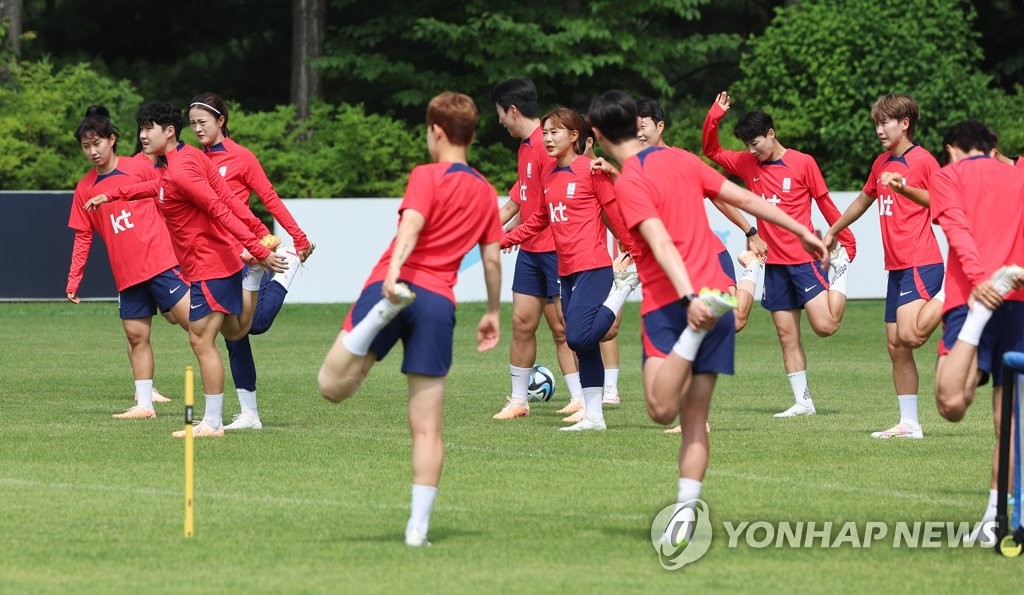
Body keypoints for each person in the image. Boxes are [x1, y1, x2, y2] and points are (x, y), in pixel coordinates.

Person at [587, 90, 826, 545]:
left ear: (597, 134)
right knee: (692, 421)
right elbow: (747, 200)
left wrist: (688, 298)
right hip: (713, 295)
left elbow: (658, 243)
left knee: (661, 410)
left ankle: (686, 510)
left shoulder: (630, 179)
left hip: (677, 303)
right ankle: (685, 511)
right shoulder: (679, 159)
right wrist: (800, 230)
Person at [317, 91, 502, 547]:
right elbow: (493, 261)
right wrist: (494, 311)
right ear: (472, 136)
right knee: (427, 428)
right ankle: (417, 528)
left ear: (435, 131)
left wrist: (395, 275)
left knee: (332, 385)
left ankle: (381, 314)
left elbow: (411, 224)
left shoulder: (426, 174)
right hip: (439, 303)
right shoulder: (483, 189)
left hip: (395, 285)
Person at [85, 102, 288, 438]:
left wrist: (256, 248)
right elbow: (155, 188)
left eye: (148, 128)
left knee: (200, 339)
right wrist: (113, 195)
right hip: (213, 263)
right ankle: (251, 280)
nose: (142, 136)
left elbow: (220, 209)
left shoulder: (180, 170)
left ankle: (211, 423)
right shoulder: (182, 161)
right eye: (140, 129)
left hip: (208, 264)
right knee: (235, 332)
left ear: (169, 131)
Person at [703, 91, 856, 418]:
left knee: (826, 326)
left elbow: (826, 204)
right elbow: (711, 150)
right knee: (787, 336)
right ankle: (803, 402)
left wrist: (847, 241)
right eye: (746, 144)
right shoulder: (747, 163)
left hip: (804, 261)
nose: (750, 150)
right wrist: (715, 115)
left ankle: (841, 273)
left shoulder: (804, 163)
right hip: (773, 265)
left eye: (755, 142)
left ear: (771, 134)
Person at [502, 107, 638, 430]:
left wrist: (632, 249)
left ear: (575, 137)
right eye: (546, 132)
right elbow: (538, 220)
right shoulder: (548, 176)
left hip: (593, 266)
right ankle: (594, 416)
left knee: (576, 336)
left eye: (555, 132)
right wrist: (502, 240)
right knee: (582, 342)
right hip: (566, 270)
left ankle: (623, 290)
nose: (548, 139)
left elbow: (614, 213)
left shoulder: (591, 170)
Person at [822, 94, 945, 439]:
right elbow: (863, 199)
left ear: (905, 123)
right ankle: (910, 424)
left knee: (910, 335)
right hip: (897, 267)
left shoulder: (922, 161)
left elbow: (941, 202)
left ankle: (955, 295)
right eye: (876, 123)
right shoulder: (880, 164)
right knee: (895, 346)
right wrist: (834, 229)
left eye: (885, 122)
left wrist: (905, 188)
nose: (879, 129)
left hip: (922, 261)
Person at [188, 92, 312, 430]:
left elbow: (269, 199)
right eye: (192, 124)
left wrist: (299, 238)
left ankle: (284, 272)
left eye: (202, 122)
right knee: (234, 335)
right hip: (213, 257)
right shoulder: (194, 161)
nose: (197, 129)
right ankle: (250, 415)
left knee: (251, 326)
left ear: (221, 121)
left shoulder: (242, 158)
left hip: (244, 252)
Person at [927, 119, 1024, 542]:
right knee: (1012, 425)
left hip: (973, 297)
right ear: (990, 146)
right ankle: (993, 521)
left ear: (951, 148)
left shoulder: (947, 176)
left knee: (951, 403)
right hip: (1018, 300)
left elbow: (956, 230)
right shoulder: (1018, 176)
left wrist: (981, 283)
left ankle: (995, 521)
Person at [66, 105, 189, 418]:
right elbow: (83, 237)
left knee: (195, 326)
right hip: (127, 273)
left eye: (97, 143)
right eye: (86, 146)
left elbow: (168, 200)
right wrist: (73, 280)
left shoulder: (140, 167)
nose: (92, 151)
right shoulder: (83, 189)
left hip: (161, 262)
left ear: (112, 140)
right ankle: (145, 405)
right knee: (136, 337)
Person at [490, 78, 583, 420]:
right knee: (521, 322)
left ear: (512, 110)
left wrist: (505, 235)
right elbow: (522, 196)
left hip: (557, 250)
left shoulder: (549, 144)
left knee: (564, 328)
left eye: (500, 113)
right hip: (530, 249)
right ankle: (519, 401)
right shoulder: (526, 148)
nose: (499, 121)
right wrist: (492, 228)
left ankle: (581, 398)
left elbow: (550, 205)